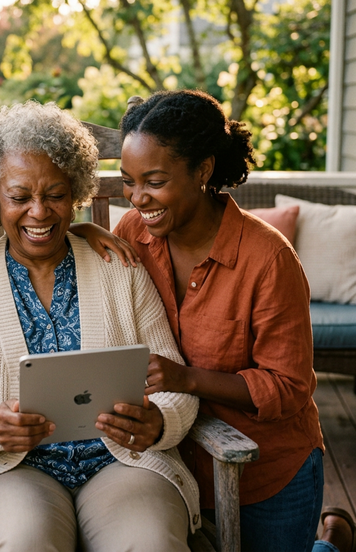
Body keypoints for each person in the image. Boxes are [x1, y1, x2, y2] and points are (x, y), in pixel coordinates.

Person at [0, 101, 200, 552]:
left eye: (55, 194)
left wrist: (160, 420)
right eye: (19, 197)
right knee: (22, 543)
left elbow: (170, 377)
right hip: (10, 470)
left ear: (76, 193)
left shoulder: (120, 267)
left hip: (124, 463)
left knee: (149, 543)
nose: (39, 212)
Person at [112, 89, 330, 552]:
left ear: (203, 170)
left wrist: (186, 378)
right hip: (170, 466)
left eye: (153, 181)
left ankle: (332, 541)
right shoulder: (133, 233)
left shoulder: (268, 258)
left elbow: (288, 387)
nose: (136, 198)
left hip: (266, 474)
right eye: (128, 181)